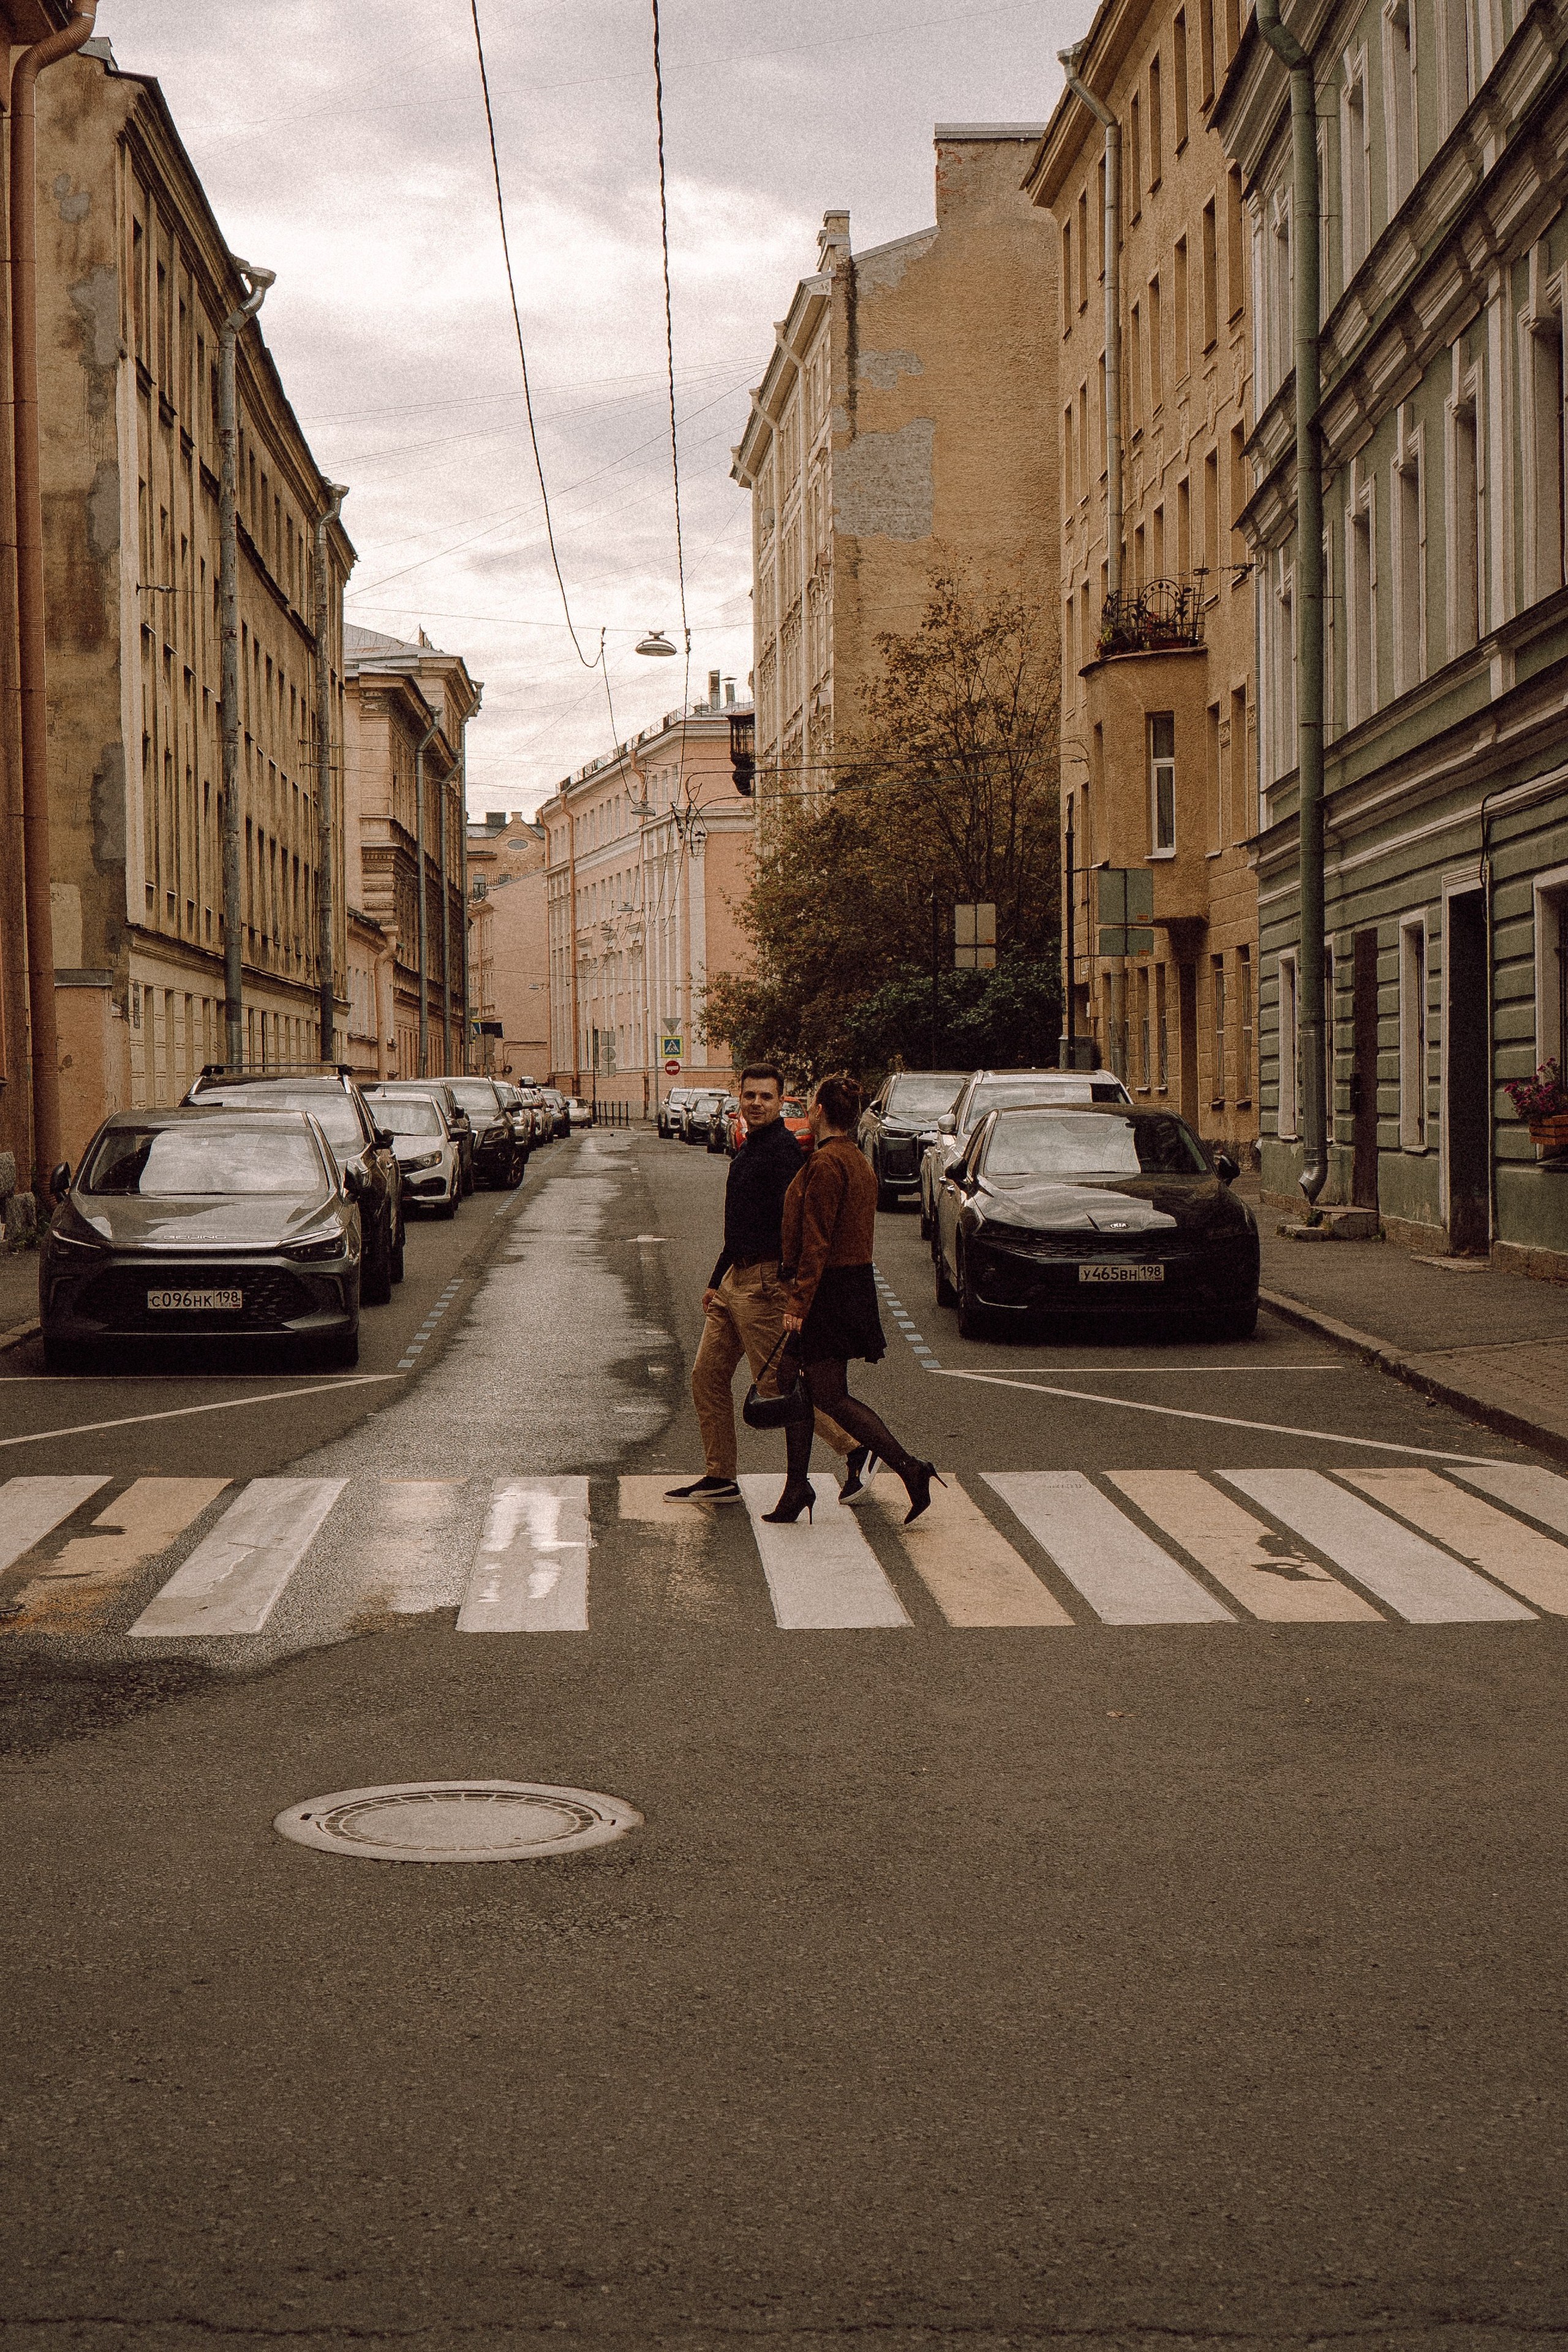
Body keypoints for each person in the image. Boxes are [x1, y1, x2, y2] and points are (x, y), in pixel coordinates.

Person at [666, 1063, 869, 1508]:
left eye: (766, 1097)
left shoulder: (781, 1154)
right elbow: (738, 1223)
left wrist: (786, 1284)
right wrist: (716, 1279)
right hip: (733, 1280)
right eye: (750, 1095)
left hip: (763, 1283)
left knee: (779, 1388)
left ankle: (857, 1447)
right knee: (707, 1377)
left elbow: (797, 1228)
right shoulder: (749, 1147)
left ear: (781, 1103)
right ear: (739, 1097)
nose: (756, 1103)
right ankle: (720, 1475)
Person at [765, 1073, 943, 1528]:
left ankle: (909, 1468)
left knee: (829, 1394)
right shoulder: (855, 1159)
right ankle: (796, 1487)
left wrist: (797, 1304)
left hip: (828, 1290)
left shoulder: (827, 1164)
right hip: (847, 1285)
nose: (806, 1106)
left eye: (808, 1101)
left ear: (819, 1111)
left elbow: (818, 1242)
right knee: (794, 1381)